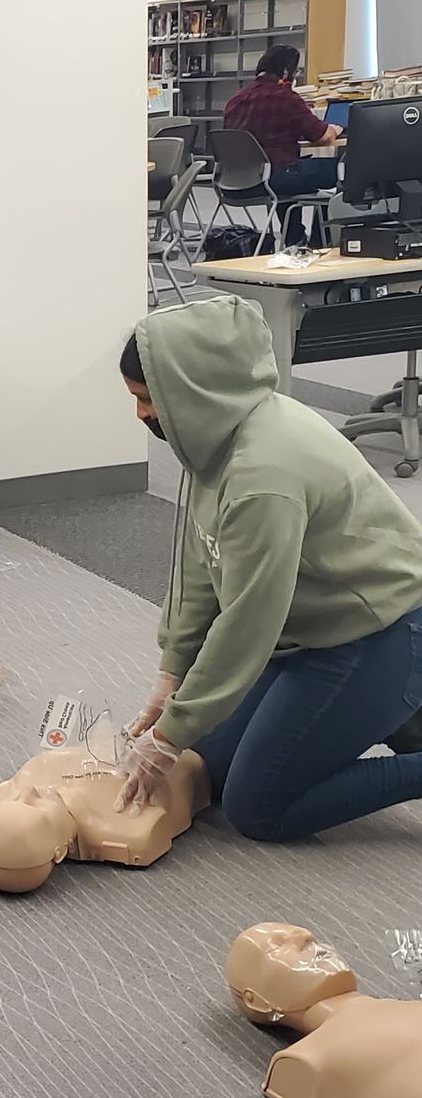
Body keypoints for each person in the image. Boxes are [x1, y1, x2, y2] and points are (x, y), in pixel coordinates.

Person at [113, 296, 422, 841]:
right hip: (314, 632)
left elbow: (248, 622)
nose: (140, 415)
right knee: (213, 759)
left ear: (191, 391)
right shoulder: (214, 437)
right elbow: (199, 562)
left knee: (259, 806)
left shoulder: (264, 475)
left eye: (146, 399)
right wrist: (172, 676)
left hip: (381, 630)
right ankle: (393, 714)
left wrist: (168, 735)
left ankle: (398, 712)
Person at [221, 44, 341, 246]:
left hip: (233, 184)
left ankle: (295, 239)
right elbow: (322, 136)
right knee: (342, 170)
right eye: (296, 71)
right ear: (286, 71)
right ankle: (321, 243)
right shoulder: (286, 98)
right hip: (271, 180)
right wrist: (336, 129)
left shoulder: (235, 100)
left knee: (292, 170)